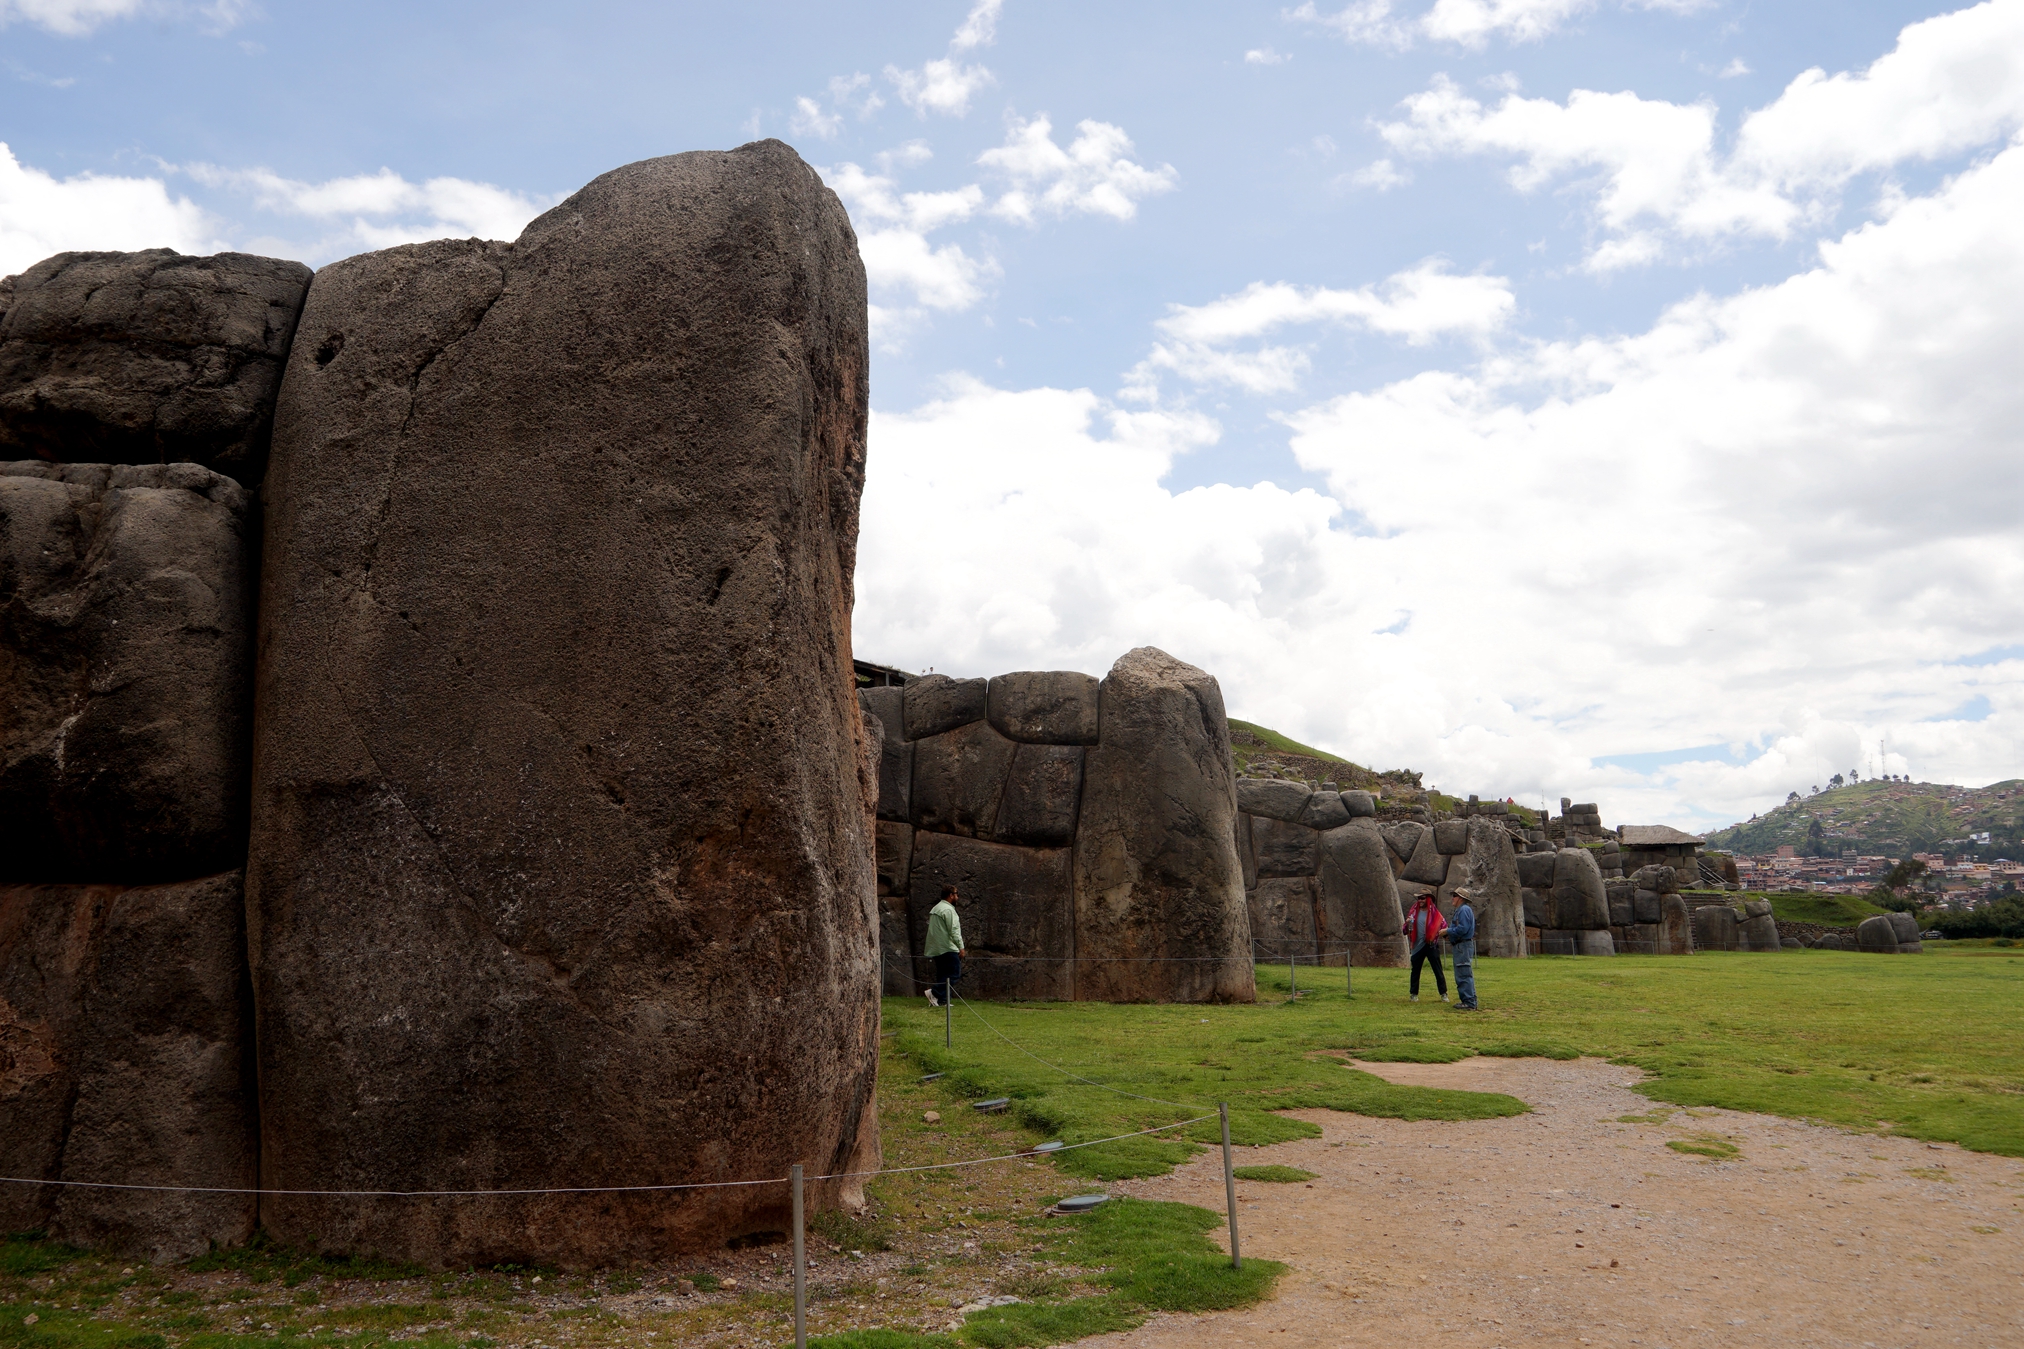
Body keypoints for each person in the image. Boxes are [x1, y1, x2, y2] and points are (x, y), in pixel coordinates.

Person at [924, 883, 966, 1007]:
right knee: (954, 973)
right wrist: (961, 947)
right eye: (956, 894)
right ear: (951, 895)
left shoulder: (936, 908)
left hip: (936, 947)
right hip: (947, 947)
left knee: (943, 974)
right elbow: (954, 930)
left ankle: (941, 1000)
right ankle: (934, 993)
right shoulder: (948, 910)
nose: (958, 897)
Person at [1402, 890, 1448, 1003]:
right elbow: (1405, 930)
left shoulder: (1435, 914)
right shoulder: (1413, 912)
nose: (1420, 901)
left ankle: (1444, 994)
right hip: (1417, 946)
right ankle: (1413, 994)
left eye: (1422, 898)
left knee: (1437, 970)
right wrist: (1407, 923)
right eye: (1419, 898)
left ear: (1428, 899)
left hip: (1431, 945)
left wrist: (1438, 934)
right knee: (1415, 971)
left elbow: (1443, 926)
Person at [1447, 888, 1479, 1011]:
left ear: (1460, 898)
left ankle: (1469, 1003)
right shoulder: (1461, 910)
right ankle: (1469, 1000)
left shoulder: (1464, 909)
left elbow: (1462, 929)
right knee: (1462, 973)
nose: (1452, 898)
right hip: (1460, 945)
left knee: (1463, 974)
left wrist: (1447, 931)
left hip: (1463, 946)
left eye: (1454, 895)